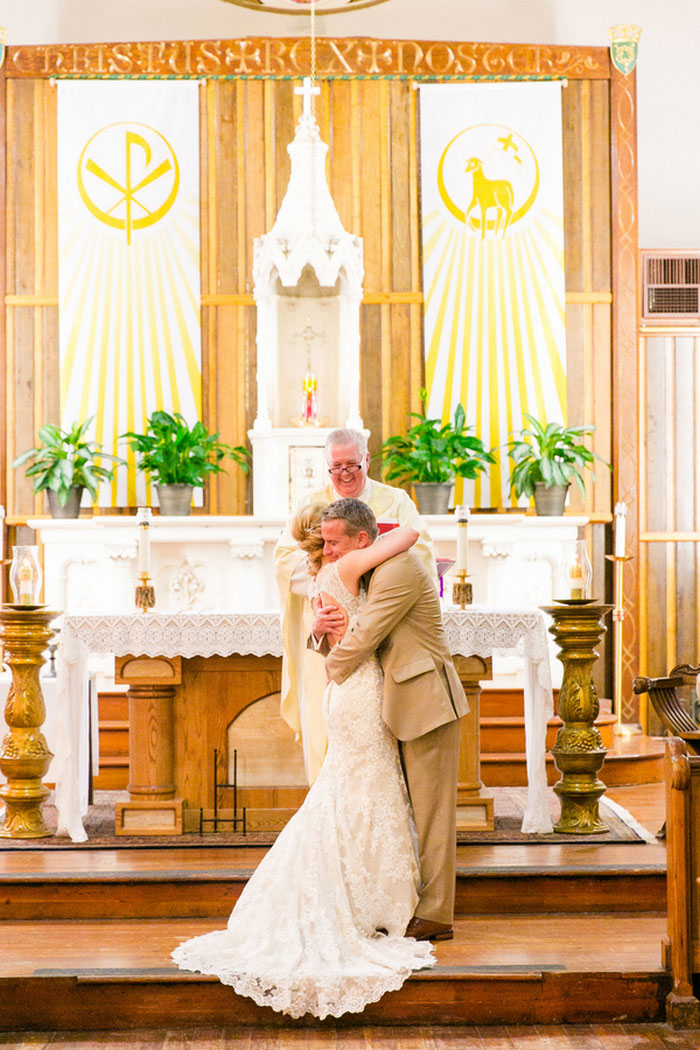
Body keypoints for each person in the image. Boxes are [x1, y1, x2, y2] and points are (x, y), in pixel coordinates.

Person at [172, 502, 435, 1019]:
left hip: (349, 693)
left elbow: (325, 630)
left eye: (335, 539)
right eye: (328, 539)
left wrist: (339, 562)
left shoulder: (320, 574)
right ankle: (373, 900)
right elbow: (409, 532)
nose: (332, 547)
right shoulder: (344, 568)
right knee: (366, 786)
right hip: (358, 694)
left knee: (356, 789)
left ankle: (365, 893)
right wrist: (369, 534)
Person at [321, 498, 469, 942]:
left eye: (334, 542)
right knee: (406, 810)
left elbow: (368, 632)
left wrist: (332, 668)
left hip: (426, 702)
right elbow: (348, 618)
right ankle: (402, 899)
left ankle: (438, 914)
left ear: (363, 541)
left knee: (431, 815)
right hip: (394, 702)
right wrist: (320, 625)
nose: (328, 550)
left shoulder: (398, 571)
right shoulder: (373, 568)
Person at [274, 427, 436, 782]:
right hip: (330, 626)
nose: (345, 473)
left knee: (380, 731)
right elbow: (284, 560)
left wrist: (366, 579)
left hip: (386, 633)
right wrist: (327, 587)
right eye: (336, 467)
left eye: (352, 464)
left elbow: (421, 552)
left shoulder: (396, 501)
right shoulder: (310, 505)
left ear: (367, 459)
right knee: (323, 722)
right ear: (326, 467)